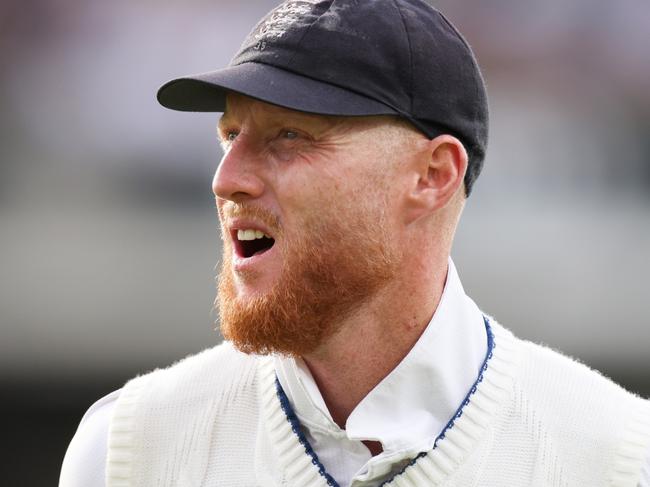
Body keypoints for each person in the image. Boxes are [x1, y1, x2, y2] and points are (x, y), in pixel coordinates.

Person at [59, 1, 650, 486]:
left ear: (433, 176)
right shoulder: (125, 453)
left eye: (289, 135)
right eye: (230, 135)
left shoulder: (617, 457)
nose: (226, 179)